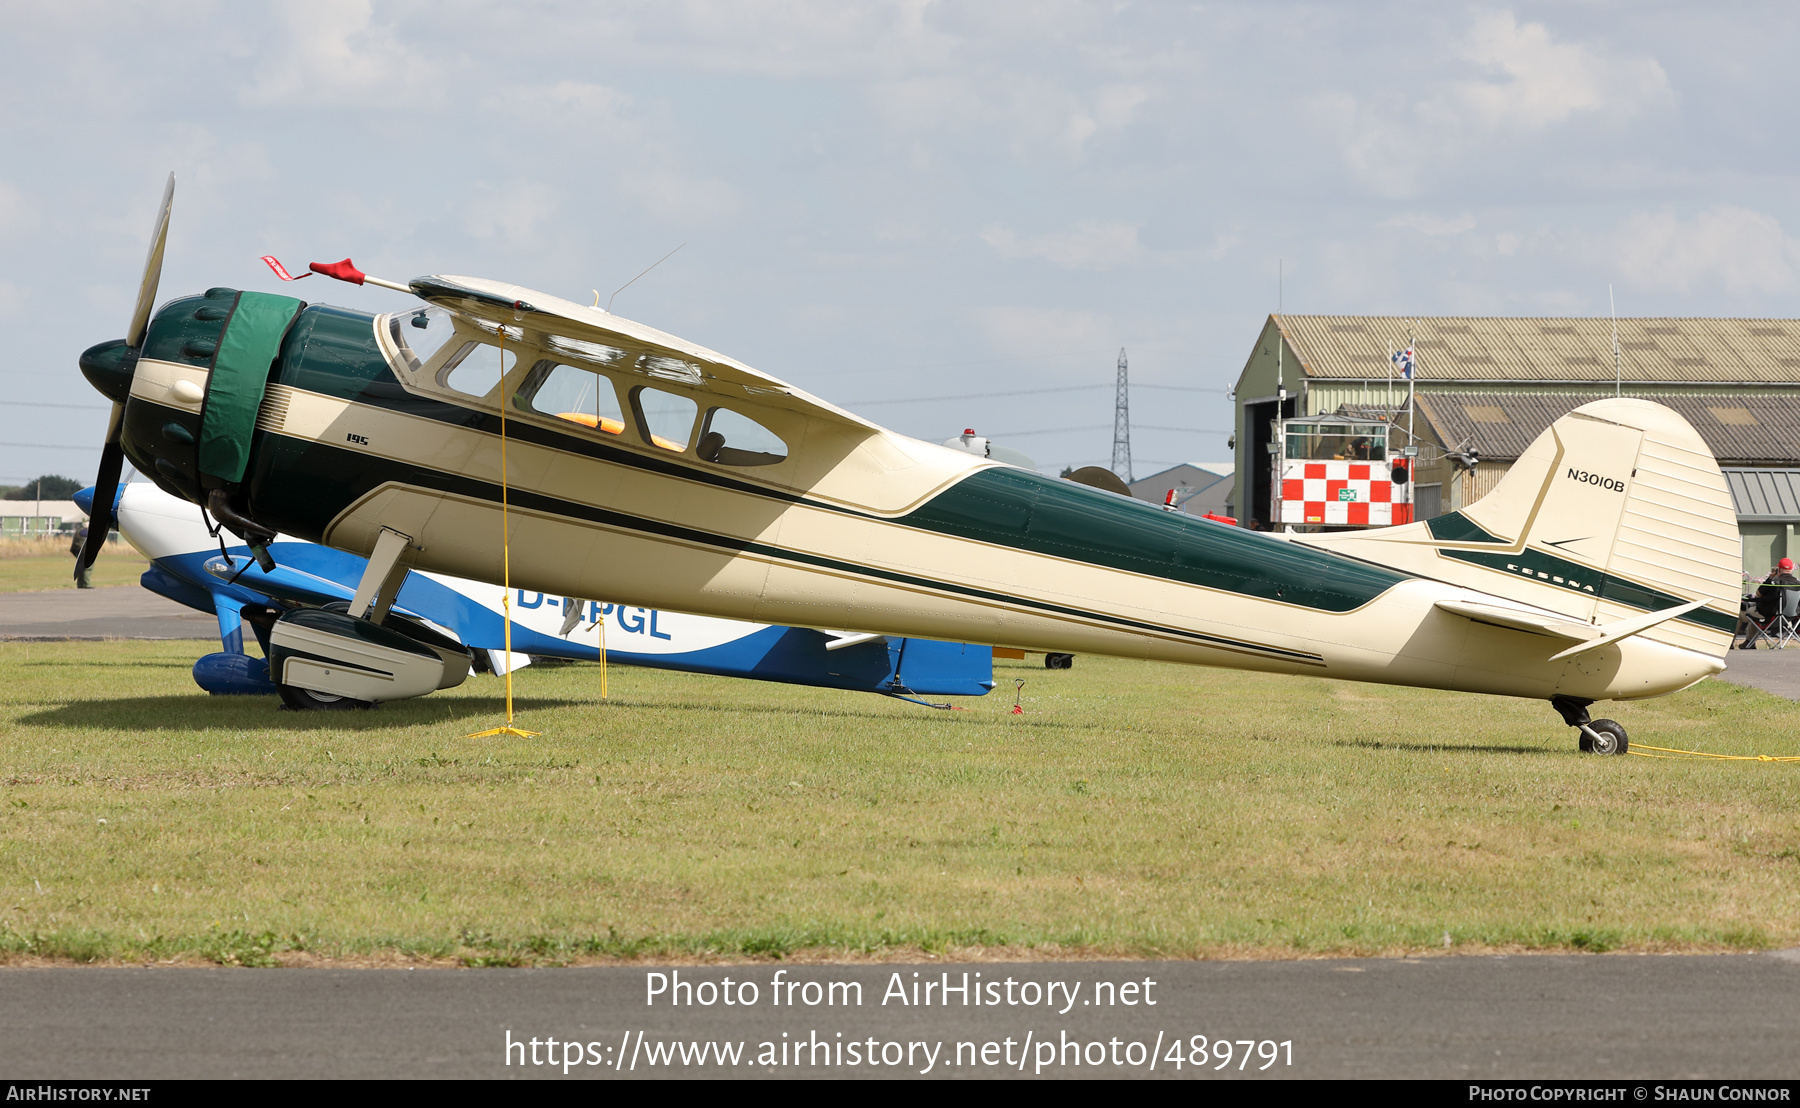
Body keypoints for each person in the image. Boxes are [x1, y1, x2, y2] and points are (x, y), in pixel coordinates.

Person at [1740, 557, 1798, 649]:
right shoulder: (1797, 583)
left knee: (1743, 613)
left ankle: (1733, 643)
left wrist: (1770, 578)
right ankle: (1749, 642)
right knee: (1755, 611)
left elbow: (1758, 594)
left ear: (1779, 570)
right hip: (1789, 618)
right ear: (1791, 570)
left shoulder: (1774, 582)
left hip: (1770, 617)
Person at [69, 523, 93, 589]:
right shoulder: (84, 531)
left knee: (80, 567)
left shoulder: (79, 531)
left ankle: (80, 584)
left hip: (77, 550)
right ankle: (86, 584)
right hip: (83, 551)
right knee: (88, 566)